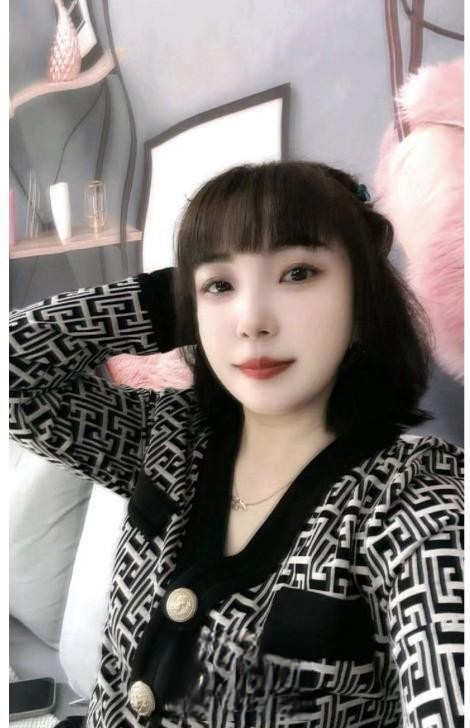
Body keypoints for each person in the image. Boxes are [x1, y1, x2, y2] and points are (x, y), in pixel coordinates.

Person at [9, 161, 464, 728]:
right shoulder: (168, 437)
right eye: (221, 285)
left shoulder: (414, 499)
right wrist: (184, 298)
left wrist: (218, 281)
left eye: (298, 273)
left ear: (361, 297)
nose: (252, 321)